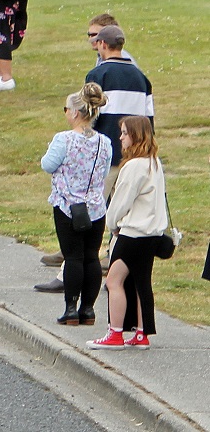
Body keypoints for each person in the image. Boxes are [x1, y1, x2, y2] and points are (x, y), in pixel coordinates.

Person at [89, 116, 167, 350]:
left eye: (124, 133)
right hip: (152, 233)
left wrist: (112, 223)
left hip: (132, 234)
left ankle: (115, 333)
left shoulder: (133, 166)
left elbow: (120, 202)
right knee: (141, 282)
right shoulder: (154, 162)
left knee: (114, 281)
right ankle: (142, 333)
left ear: (134, 136)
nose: (120, 137)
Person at [41, 83, 111, 327]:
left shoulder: (63, 140)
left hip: (67, 206)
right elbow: (103, 171)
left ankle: (71, 308)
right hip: (95, 207)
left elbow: (48, 164)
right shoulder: (104, 142)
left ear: (75, 112)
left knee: (72, 257)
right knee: (92, 257)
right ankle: (88, 310)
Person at [85, 25, 155, 168]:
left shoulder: (97, 75)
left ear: (103, 44)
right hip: (135, 157)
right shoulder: (142, 78)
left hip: (105, 156)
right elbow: (149, 121)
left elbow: (89, 117)